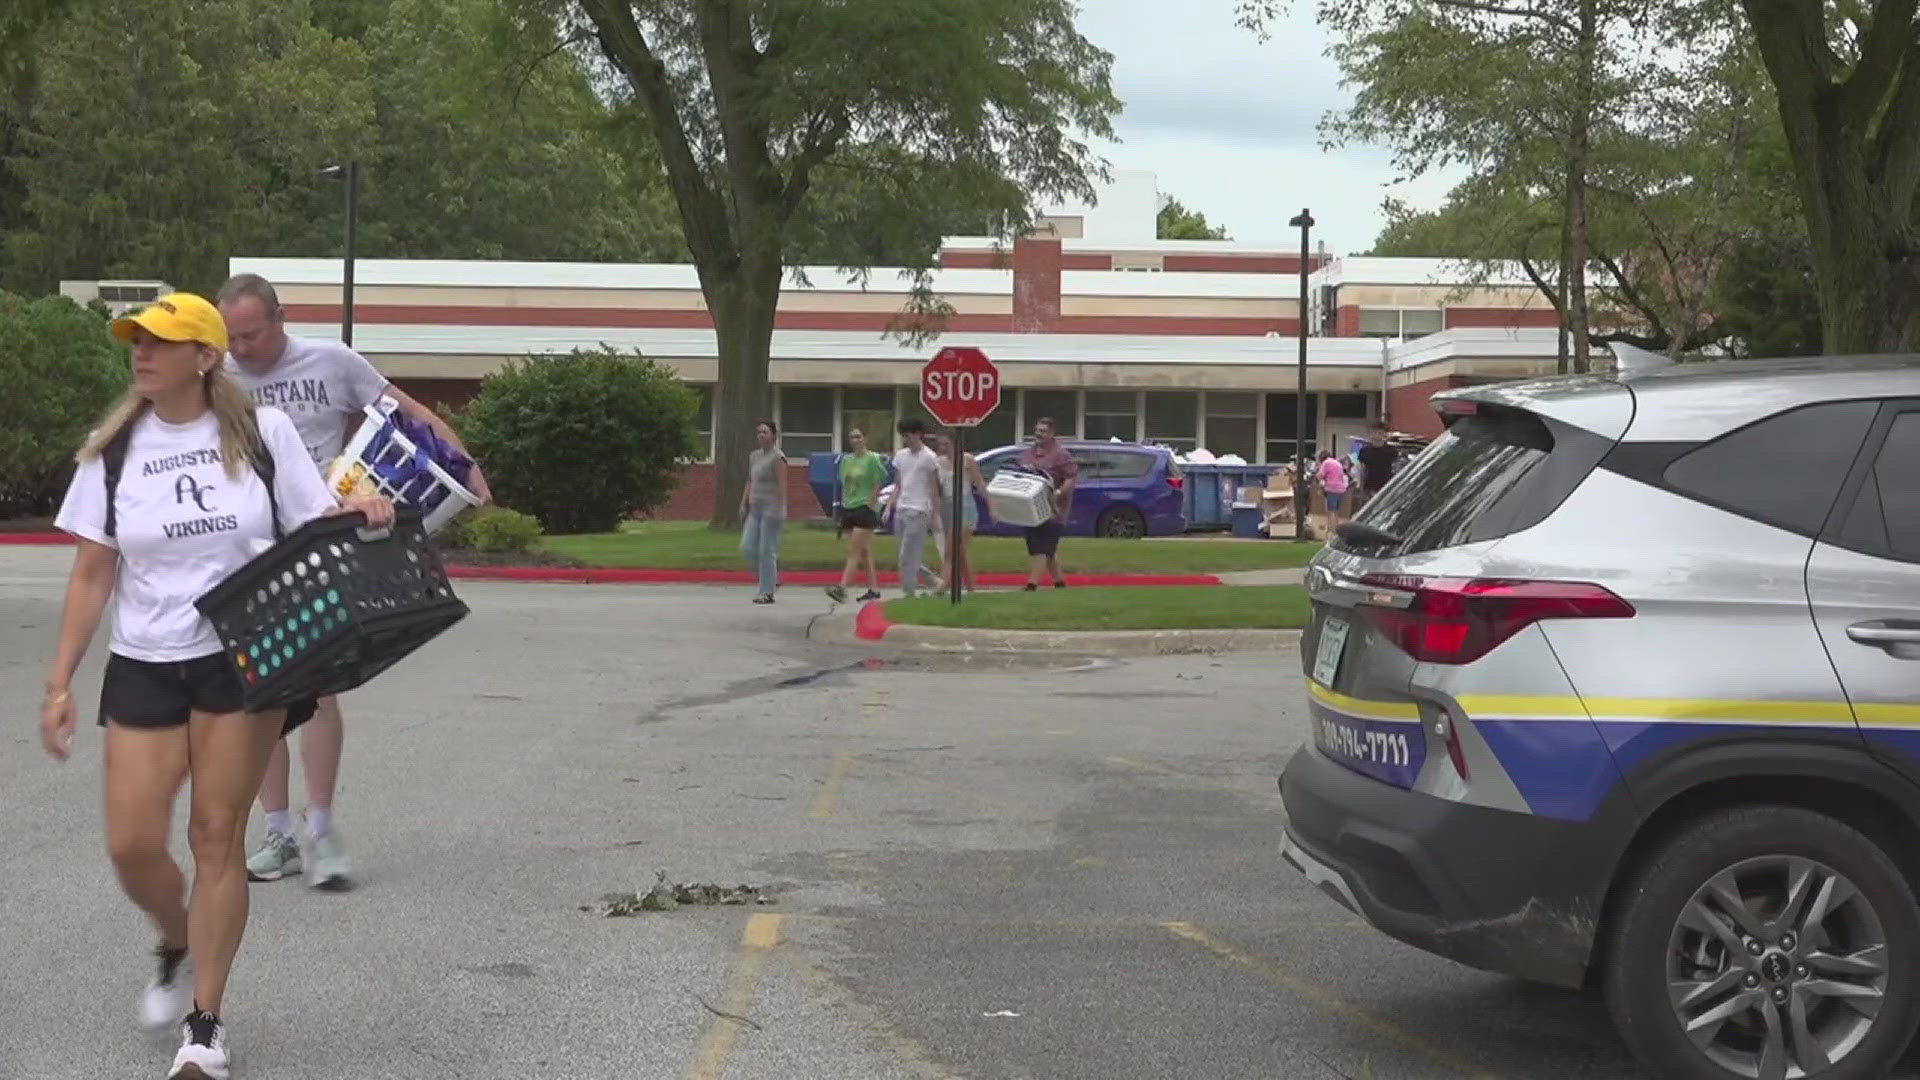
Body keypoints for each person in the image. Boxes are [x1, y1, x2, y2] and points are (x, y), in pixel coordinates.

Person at [39, 293, 393, 1079]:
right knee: (132, 844)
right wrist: (59, 682)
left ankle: (205, 1025)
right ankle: (173, 935)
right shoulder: (114, 450)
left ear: (204, 357)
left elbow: (315, 519)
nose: (142, 353)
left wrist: (358, 507)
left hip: (247, 654)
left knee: (214, 835)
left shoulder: (260, 434)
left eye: (161, 342)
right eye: (135, 341)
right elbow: (94, 570)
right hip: (145, 657)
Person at [217, 272, 488, 892]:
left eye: (251, 335)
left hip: (325, 540)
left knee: (319, 688)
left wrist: (466, 468)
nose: (240, 348)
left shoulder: (331, 362)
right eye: (230, 336)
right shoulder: (221, 382)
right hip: (256, 549)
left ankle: (322, 828)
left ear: (280, 320)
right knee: (262, 690)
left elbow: (407, 412)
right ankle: (277, 832)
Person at [885, 419, 944, 599]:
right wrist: (889, 505)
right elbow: (898, 484)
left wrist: (935, 513)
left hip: (919, 510)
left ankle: (908, 593)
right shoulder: (901, 456)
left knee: (906, 556)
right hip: (902, 508)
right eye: (903, 436)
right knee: (908, 555)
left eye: (908, 435)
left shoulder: (929, 457)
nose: (905, 439)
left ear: (919, 434)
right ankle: (935, 582)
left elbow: (934, 488)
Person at [1016, 417, 1078, 591]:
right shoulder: (1028, 453)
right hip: (1030, 508)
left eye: (1043, 431)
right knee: (1047, 549)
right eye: (1037, 430)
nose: (1038, 434)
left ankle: (1031, 585)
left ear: (1052, 434)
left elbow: (1071, 477)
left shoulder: (1061, 454)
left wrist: (1058, 493)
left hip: (1053, 510)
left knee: (1041, 547)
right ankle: (1059, 583)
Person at [826, 429, 886, 603]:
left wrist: (869, 504)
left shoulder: (873, 459)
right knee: (863, 551)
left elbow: (878, 482)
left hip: (864, 507)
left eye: (859, 436)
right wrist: (842, 508)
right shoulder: (846, 460)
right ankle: (874, 588)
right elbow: (844, 483)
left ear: (865, 439)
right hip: (849, 506)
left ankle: (842, 588)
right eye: (852, 437)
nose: (856, 440)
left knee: (854, 551)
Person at [929, 433, 991, 593]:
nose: (943, 449)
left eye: (946, 445)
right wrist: (936, 513)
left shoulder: (967, 460)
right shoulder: (937, 463)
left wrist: (992, 506)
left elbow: (979, 484)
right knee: (960, 551)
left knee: (951, 549)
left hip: (965, 505)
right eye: (940, 445)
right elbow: (936, 491)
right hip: (947, 506)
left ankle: (942, 586)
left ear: (955, 444)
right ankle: (971, 588)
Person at [738, 420, 786, 604]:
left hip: (771, 508)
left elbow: (782, 484)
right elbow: (750, 481)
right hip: (755, 508)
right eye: (759, 432)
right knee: (747, 547)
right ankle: (772, 579)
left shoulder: (778, 457)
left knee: (767, 549)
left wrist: (777, 507)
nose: (761, 435)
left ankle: (767, 592)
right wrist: (743, 503)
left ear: (773, 435)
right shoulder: (754, 456)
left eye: (765, 432)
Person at [1356, 422, 1399, 512]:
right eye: (1374, 432)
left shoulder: (1391, 451)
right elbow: (1362, 470)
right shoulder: (1365, 451)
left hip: (1386, 488)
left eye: (1379, 432)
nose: (1376, 435)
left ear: (1384, 434)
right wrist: (1361, 488)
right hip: (1369, 488)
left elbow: (1395, 469)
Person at [1316, 448, 1349, 534]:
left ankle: (1332, 532)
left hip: (1331, 489)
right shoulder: (1337, 463)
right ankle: (1337, 530)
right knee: (1336, 512)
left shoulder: (1326, 463)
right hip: (1341, 489)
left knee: (1331, 512)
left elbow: (1320, 475)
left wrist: (1319, 481)